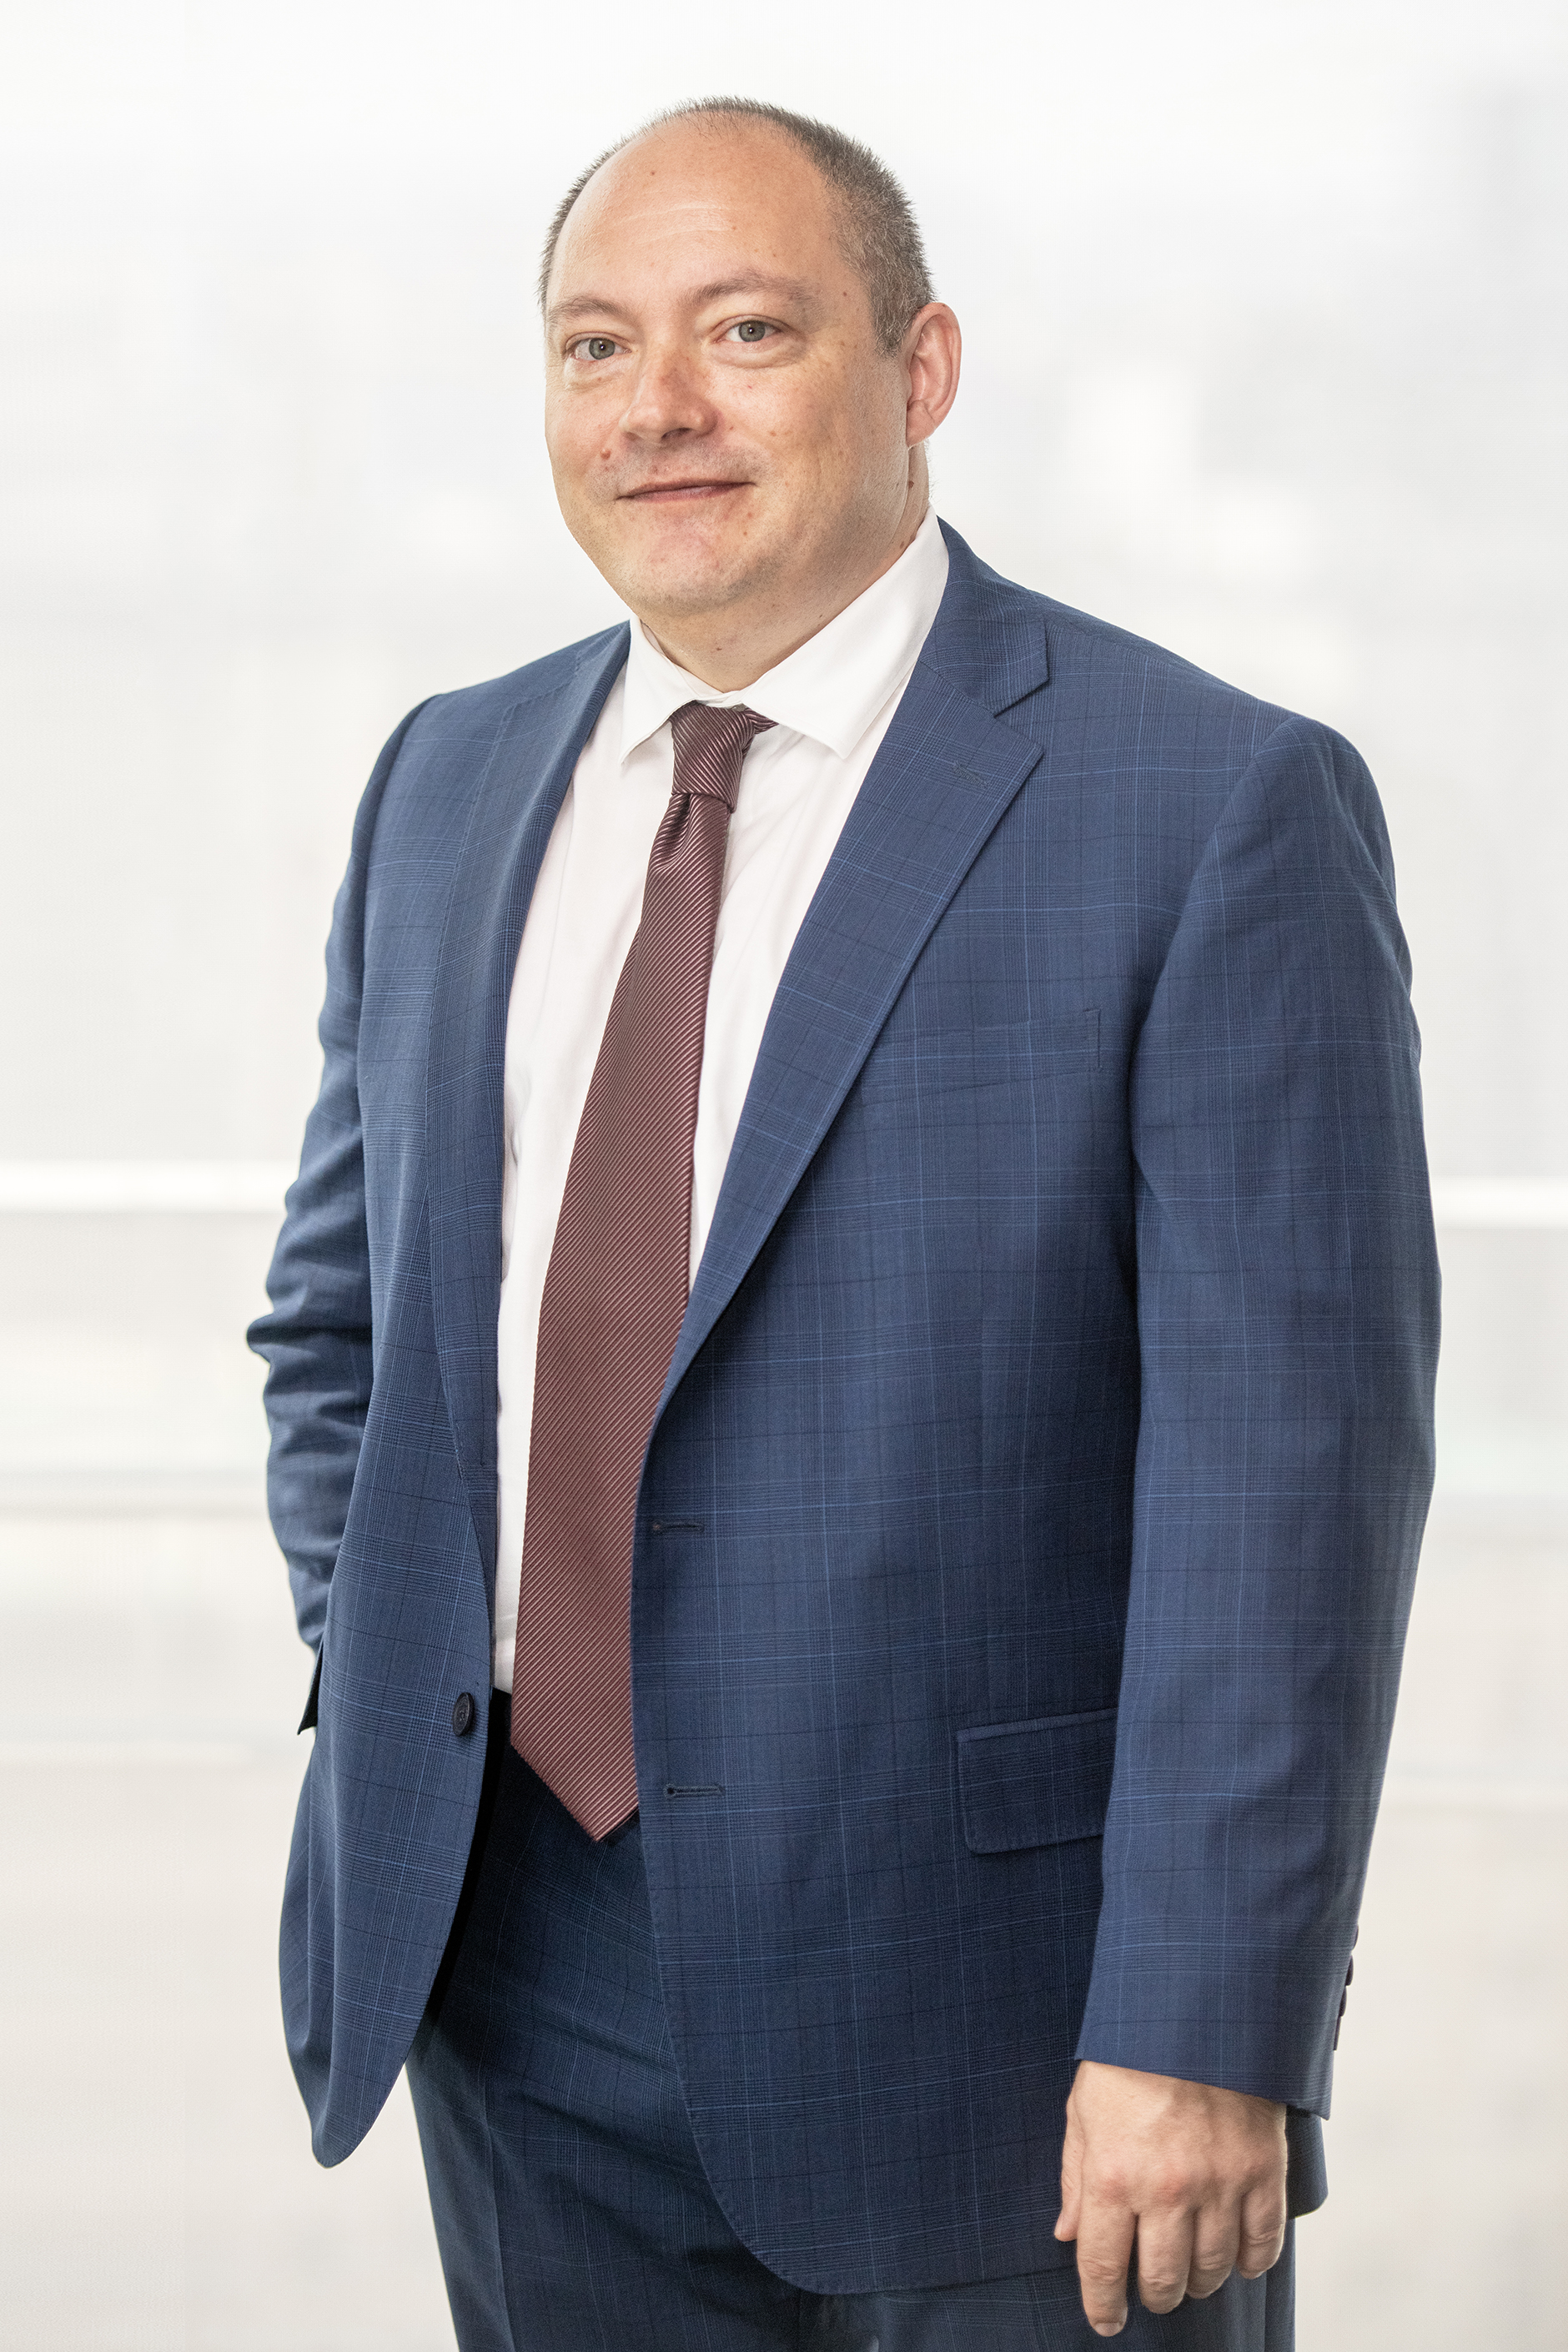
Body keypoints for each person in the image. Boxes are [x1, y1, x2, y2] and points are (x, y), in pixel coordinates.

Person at [249, 96, 1439, 2352]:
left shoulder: (1208, 806)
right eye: (596, 345)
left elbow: (1288, 1480)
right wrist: (411, 1675)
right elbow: (346, 1330)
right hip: (512, 1981)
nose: (657, 406)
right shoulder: (446, 780)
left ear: (921, 368)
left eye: (746, 330)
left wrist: (1207, 2016)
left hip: (1018, 2035)